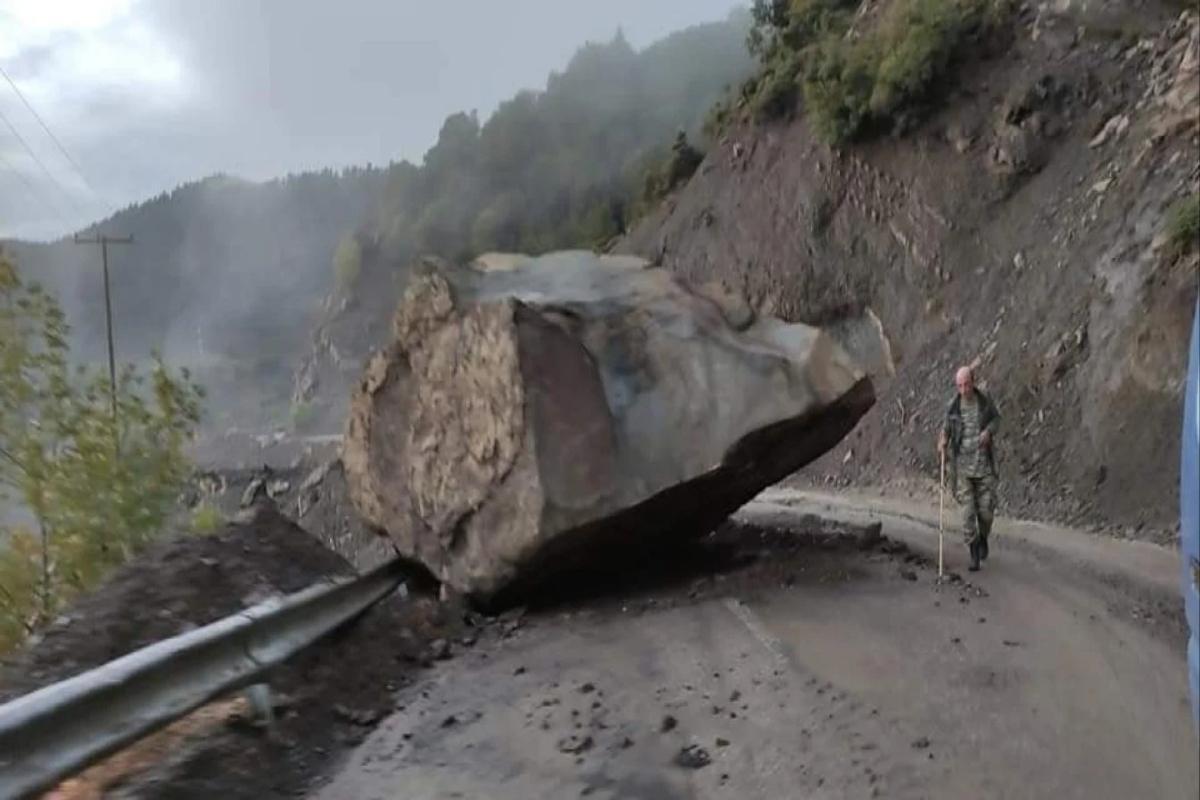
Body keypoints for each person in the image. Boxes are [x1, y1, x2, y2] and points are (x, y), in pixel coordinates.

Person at [937, 366, 1000, 572]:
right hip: (962, 468)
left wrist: (989, 432)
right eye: (960, 386)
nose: (963, 389)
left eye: (967, 384)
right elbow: (945, 430)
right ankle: (973, 553)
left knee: (986, 513)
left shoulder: (984, 402)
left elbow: (996, 419)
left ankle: (983, 538)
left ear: (973, 382)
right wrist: (943, 441)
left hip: (984, 467)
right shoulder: (953, 408)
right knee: (967, 514)